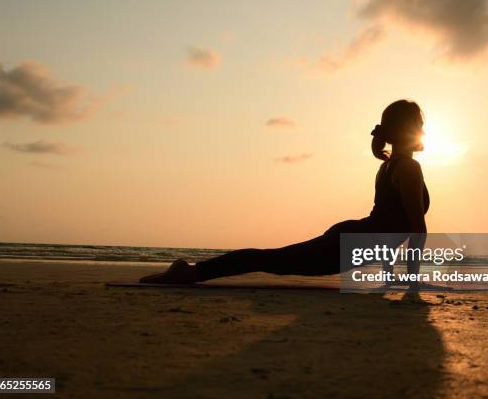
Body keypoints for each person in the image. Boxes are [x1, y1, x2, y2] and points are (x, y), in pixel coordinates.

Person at [140, 99, 429, 285]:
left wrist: (390, 277)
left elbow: (389, 227)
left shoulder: (392, 166)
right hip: (349, 244)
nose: (423, 128)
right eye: (419, 123)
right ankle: (190, 272)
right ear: (410, 130)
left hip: (352, 239)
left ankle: (192, 271)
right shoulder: (407, 169)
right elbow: (415, 228)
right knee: (271, 260)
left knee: (273, 259)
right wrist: (411, 281)